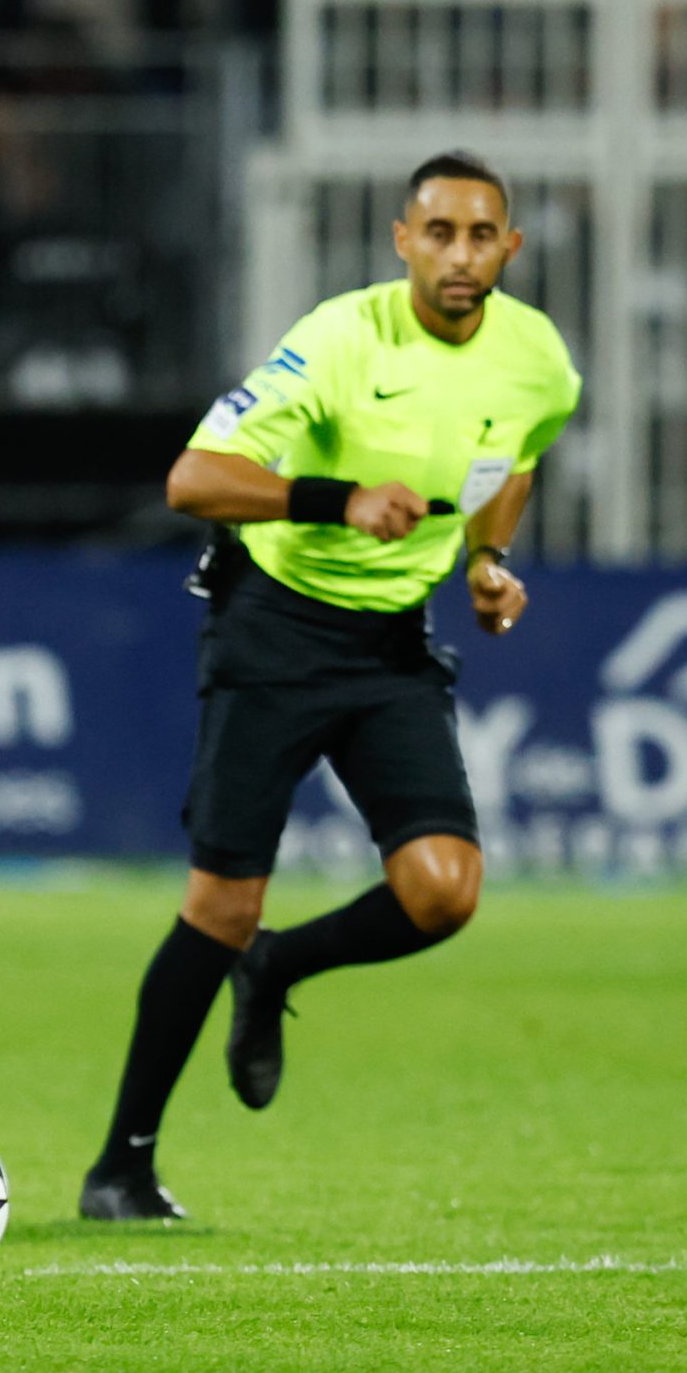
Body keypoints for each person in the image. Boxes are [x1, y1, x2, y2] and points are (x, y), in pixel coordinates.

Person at [78, 151, 581, 1222]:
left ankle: (277, 969)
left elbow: (516, 458)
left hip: (391, 644)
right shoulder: (339, 340)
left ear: (510, 248)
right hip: (275, 630)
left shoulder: (535, 359)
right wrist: (335, 498)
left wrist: (488, 564)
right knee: (218, 906)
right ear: (401, 240)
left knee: (445, 889)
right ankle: (122, 1163)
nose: (457, 253)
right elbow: (191, 479)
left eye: (479, 234)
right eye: (436, 232)